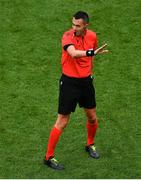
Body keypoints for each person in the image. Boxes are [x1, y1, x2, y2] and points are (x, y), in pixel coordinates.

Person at [44, 11, 108, 170]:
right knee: (62, 120)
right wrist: (91, 52)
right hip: (69, 83)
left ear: (86, 25)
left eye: (77, 26)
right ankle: (48, 157)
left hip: (86, 82)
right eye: (73, 24)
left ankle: (90, 144)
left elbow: (90, 56)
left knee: (92, 117)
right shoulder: (67, 36)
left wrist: (88, 71)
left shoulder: (92, 36)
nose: (74, 28)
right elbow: (72, 53)